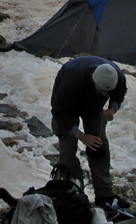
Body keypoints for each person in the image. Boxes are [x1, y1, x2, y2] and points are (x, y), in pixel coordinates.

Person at [50, 55, 128, 208]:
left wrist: (112, 109)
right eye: (101, 91)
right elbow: (59, 112)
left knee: (99, 146)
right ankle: (74, 192)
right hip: (67, 108)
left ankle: (104, 195)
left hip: (93, 108)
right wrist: (81, 135)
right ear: (93, 81)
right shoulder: (71, 82)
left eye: (107, 93)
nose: (104, 95)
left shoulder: (117, 78)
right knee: (68, 149)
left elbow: (119, 94)